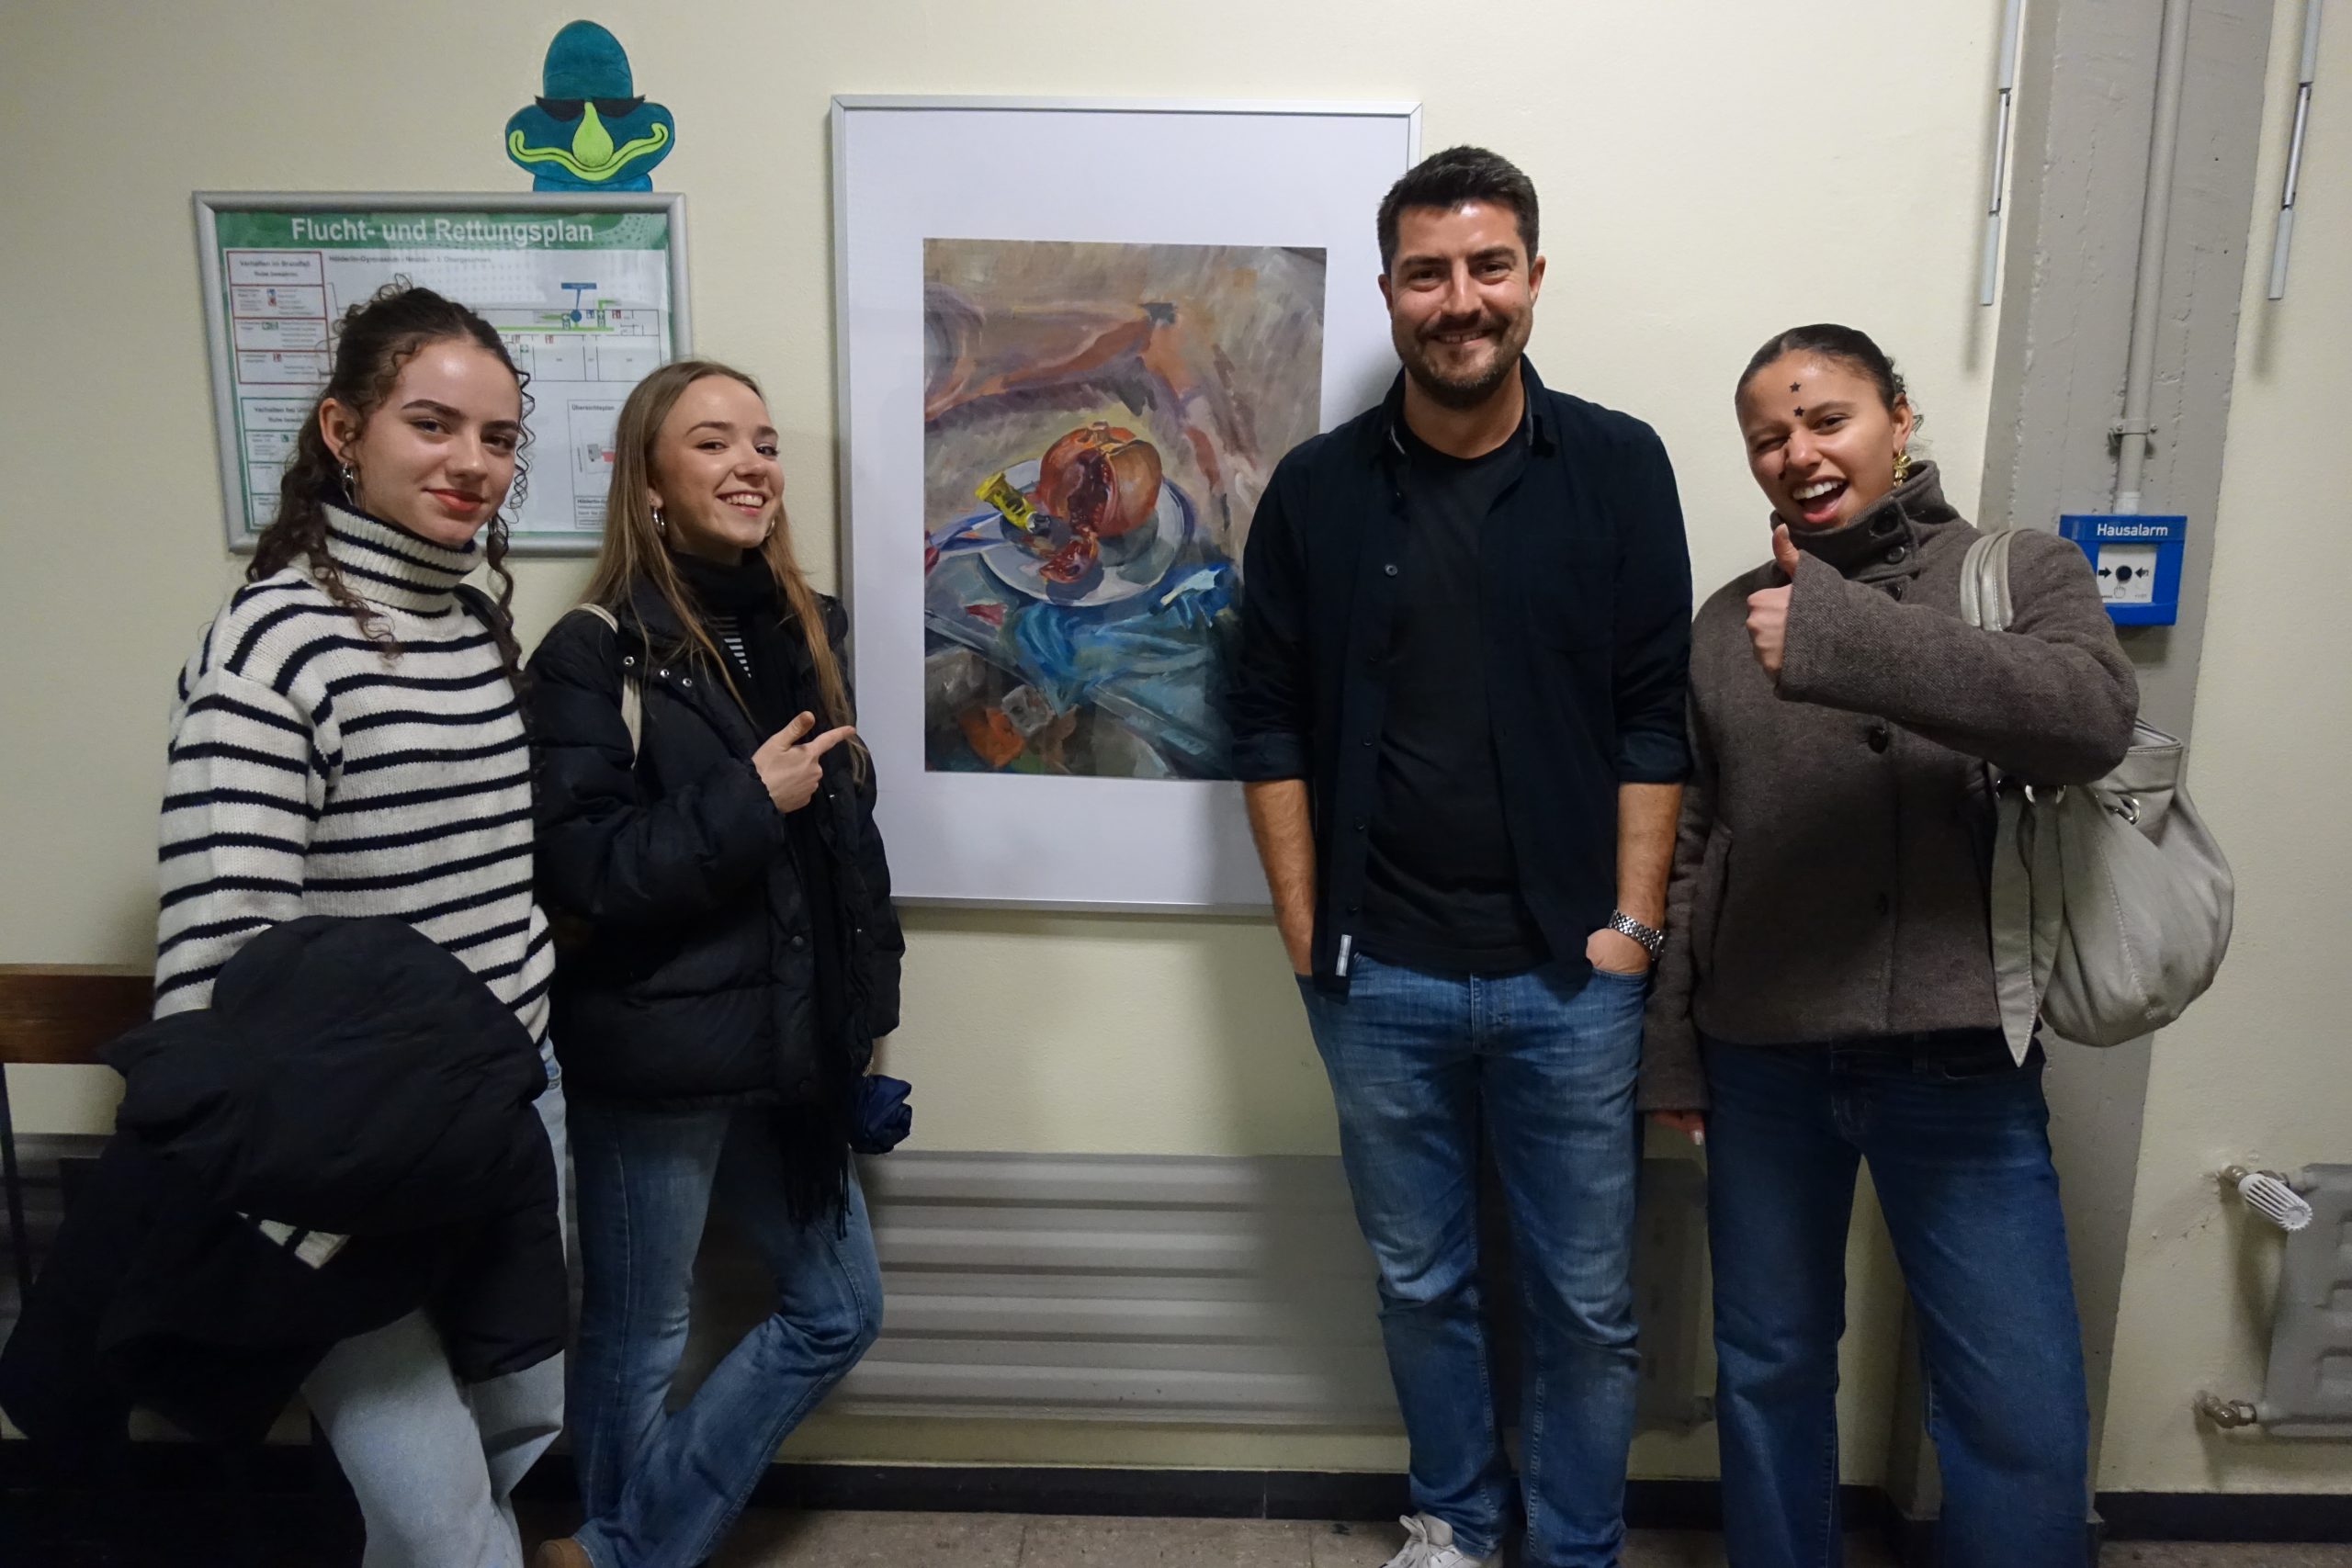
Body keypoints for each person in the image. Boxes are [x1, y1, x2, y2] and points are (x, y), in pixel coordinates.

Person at [1226, 146, 1694, 1568]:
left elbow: (1653, 715)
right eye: (1428, 273)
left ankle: (1577, 1550)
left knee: (1588, 1306)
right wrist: (1309, 935)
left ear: (1534, 279)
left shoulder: (1618, 467)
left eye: (1489, 266)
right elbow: (1265, 723)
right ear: (1389, 293)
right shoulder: (1317, 491)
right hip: (1379, 974)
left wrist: (1630, 930)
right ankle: (1458, 1527)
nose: (1461, 299)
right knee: (1421, 1286)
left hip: (1573, 976)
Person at [1641, 324, 2138, 1568]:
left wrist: (1838, 635)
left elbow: (2092, 718)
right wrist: (1674, 1053)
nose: (1799, 454)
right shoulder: (1724, 624)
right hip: (1763, 1057)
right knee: (1767, 1368)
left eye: (1829, 419)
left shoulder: (2017, 571)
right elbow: (1695, 847)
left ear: (1899, 419)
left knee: (2015, 1404)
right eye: (1769, 437)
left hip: (1960, 1058)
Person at [153, 283, 566, 1567]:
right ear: (344, 430)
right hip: (352, 1152)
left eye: (497, 437)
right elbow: (216, 959)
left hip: (512, 1111)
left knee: (520, 1431)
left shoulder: (477, 629)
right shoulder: (273, 646)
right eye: (431, 424)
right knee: (444, 1526)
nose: (471, 463)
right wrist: (287, 1211)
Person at [526, 360, 903, 1568]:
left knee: (839, 1310)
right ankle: (623, 1551)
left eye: (765, 442)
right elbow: (584, 870)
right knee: (639, 1335)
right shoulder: (594, 653)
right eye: (712, 442)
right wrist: (747, 798)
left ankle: (616, 1554)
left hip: (793, 1046)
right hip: (656, 1053)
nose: (751, 464)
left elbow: (848, 847)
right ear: (647, 480)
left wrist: (868, 1014)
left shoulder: (810, 628)